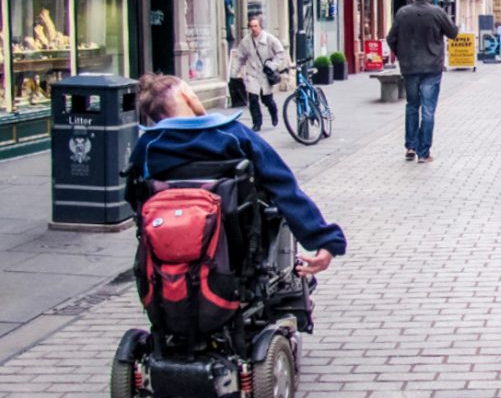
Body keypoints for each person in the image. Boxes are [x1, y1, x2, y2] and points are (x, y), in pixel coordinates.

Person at [129, 73, 345, 275]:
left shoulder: (147, 146)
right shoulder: (231, 134)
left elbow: (133, 196)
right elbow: (282, 185)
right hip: (237, 246)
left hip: (170, 247)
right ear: (187, 96)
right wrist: (325, 241)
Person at [386, 0, 459, 163]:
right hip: (432, 67)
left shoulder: (403, 13)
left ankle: (410, 146)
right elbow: (453, 33)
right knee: (428, 109)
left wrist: (400, 53)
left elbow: (391, 38)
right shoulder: (437, 12)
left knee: (412, 106)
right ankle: (423, 152)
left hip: (410, 66)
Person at [230, 16, 286, 132]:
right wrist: (234, 72)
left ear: (260, 26)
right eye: (251, 26)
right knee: (253, 99)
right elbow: (239, 57)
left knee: (267, 100)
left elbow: (280, 53)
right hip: (252, 73)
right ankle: (257, 123)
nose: (254, 29)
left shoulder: (270, 39)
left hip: (266, 73)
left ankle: (273, 112)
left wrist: (273, 65)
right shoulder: (246, 41)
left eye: (256, 26)